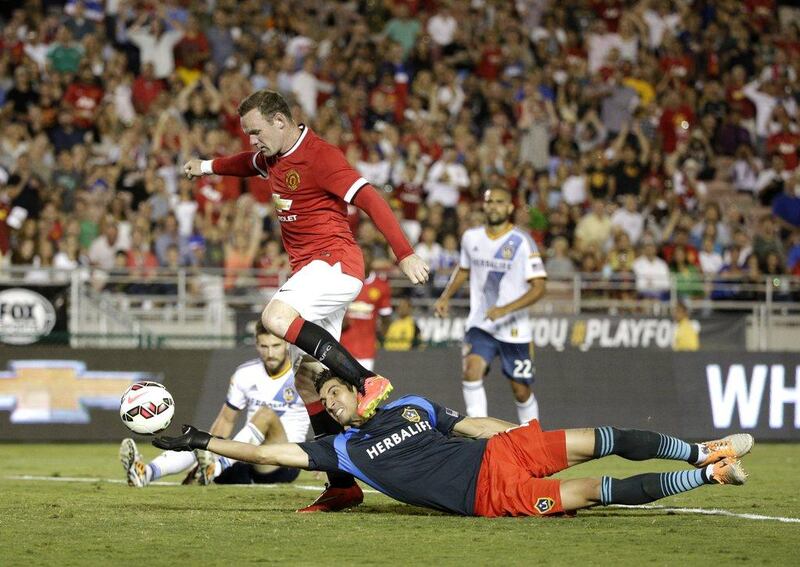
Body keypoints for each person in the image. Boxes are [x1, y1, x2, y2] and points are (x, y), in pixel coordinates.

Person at [183, 90, 428, 511]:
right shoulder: (272, 155)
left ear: (281, 121)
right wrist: (206, 167)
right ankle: (342, 484)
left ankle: (367, 381)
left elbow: (370, 198)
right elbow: (245, 163)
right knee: (307, 379)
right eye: (248, 133)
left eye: (256, 131)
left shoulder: (320, 156)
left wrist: (403, 253)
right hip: (312, 272)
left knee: (276, 316)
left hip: (334, 262)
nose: (253, 140)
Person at [153, 373, 753, 518]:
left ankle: (702, 450)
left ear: (357, 391)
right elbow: (264, 455)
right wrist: (200, 440)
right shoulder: (341, 451)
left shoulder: (409, 404)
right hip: (490, 494)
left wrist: (519, 436)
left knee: (611, 437)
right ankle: (712, 476)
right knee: (601, 493)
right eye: (325, 399)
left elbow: (469, 424)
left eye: (337, 392)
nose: (332, 404)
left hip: (505, 452)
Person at [119, 325, 310, 490]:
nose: (270, 353)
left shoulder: (302, 374)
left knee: (266, 414)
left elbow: (325, 416)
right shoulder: (246, 373)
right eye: (264, 346)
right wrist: (205, 444)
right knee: (198, 438)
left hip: (284, 461)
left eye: (276, 346)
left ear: (286, 344)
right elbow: (226, 420)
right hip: (246, 458)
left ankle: (214, 468)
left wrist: (327, 460)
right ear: (256, 345)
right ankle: (146, 473)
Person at [433, 188, 547, 424]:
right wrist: (446, 297)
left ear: (509, 208)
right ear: (484, 206)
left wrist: (506, 309)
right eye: (489, 202)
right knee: (471, 372)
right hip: (480, 323)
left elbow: (539, 287)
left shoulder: (523, 242)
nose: (494, 206)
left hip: (514, 329)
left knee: (521, 391)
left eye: (499, 202)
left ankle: (532, 437)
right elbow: (464, 270)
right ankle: (482, 435)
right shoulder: (471, 238)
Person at [340, 248, 393, 372]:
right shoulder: (345, 282)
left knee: (363, 388)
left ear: (372, 260)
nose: (362, 260)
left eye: (366, 257)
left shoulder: (381, 286)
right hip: (342, 348)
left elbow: (386, 317)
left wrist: (381, 337)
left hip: (366, 351)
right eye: (359, 256)